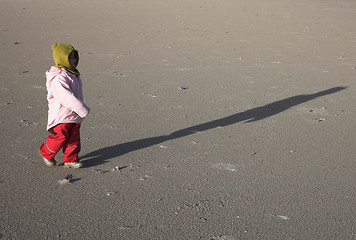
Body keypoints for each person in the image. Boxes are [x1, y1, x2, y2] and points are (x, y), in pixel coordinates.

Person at [39, 43, 90, 168]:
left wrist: (78, 111)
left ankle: (71, 159)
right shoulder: (58, 78)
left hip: (73, 115)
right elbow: (65, 96)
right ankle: (46, 153)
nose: (73, 60)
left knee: (74, 139)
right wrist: (81, 108)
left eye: (74, 57)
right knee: (60, 137)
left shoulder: (74, 75)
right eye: (70, 57)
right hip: (61, 115)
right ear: (62, 59)